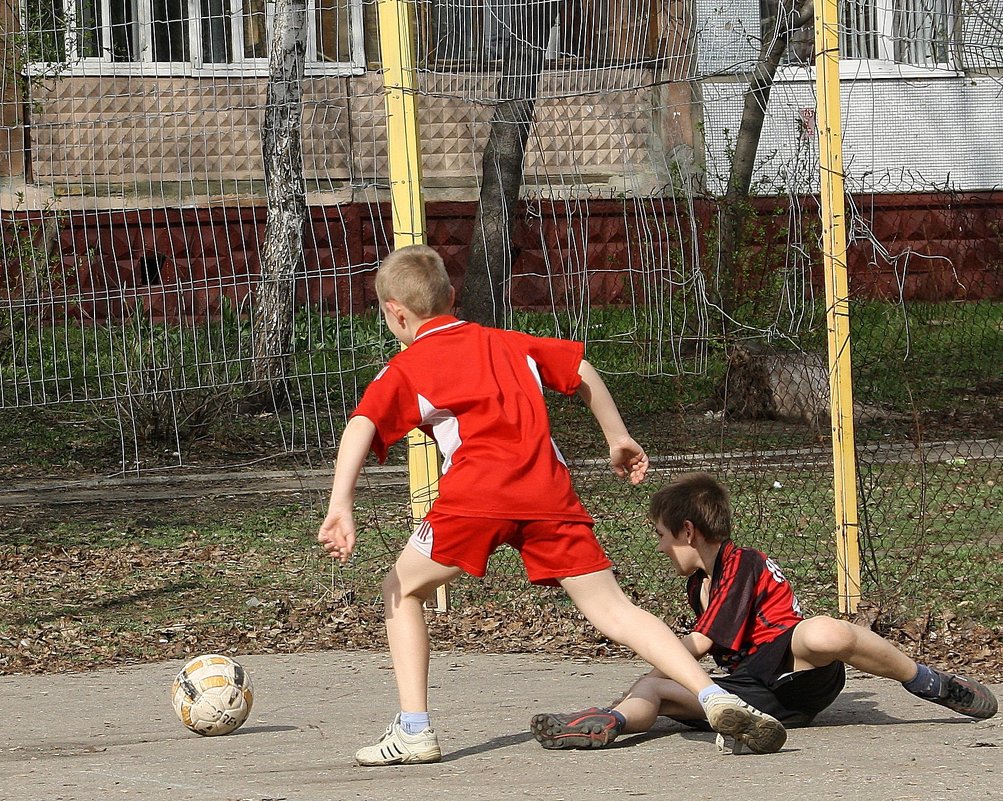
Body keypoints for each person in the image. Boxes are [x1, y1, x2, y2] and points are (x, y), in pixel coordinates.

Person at [317, 245, 788, 766]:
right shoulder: (510, 343)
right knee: (614, 609)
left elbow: (361, 423)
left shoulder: (410, 367)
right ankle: (713, 695)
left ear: (396, 313)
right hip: (548, 490)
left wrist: (342, 503)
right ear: (452, 296)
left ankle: (414, 730)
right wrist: (617, 437)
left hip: (478, 495)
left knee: (401, 589)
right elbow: (580, 368)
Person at [530, 471, 999, 753]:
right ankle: (609, 722)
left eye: (661, 535)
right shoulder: (699, 584)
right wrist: (654, 674)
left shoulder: (742, 562)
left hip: (794, 669)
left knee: (822, 633)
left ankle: (931, 682)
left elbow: (703, 643)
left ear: (688, 532)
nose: (659, 547)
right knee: (655, 687)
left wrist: (649, 642)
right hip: (756, 695)